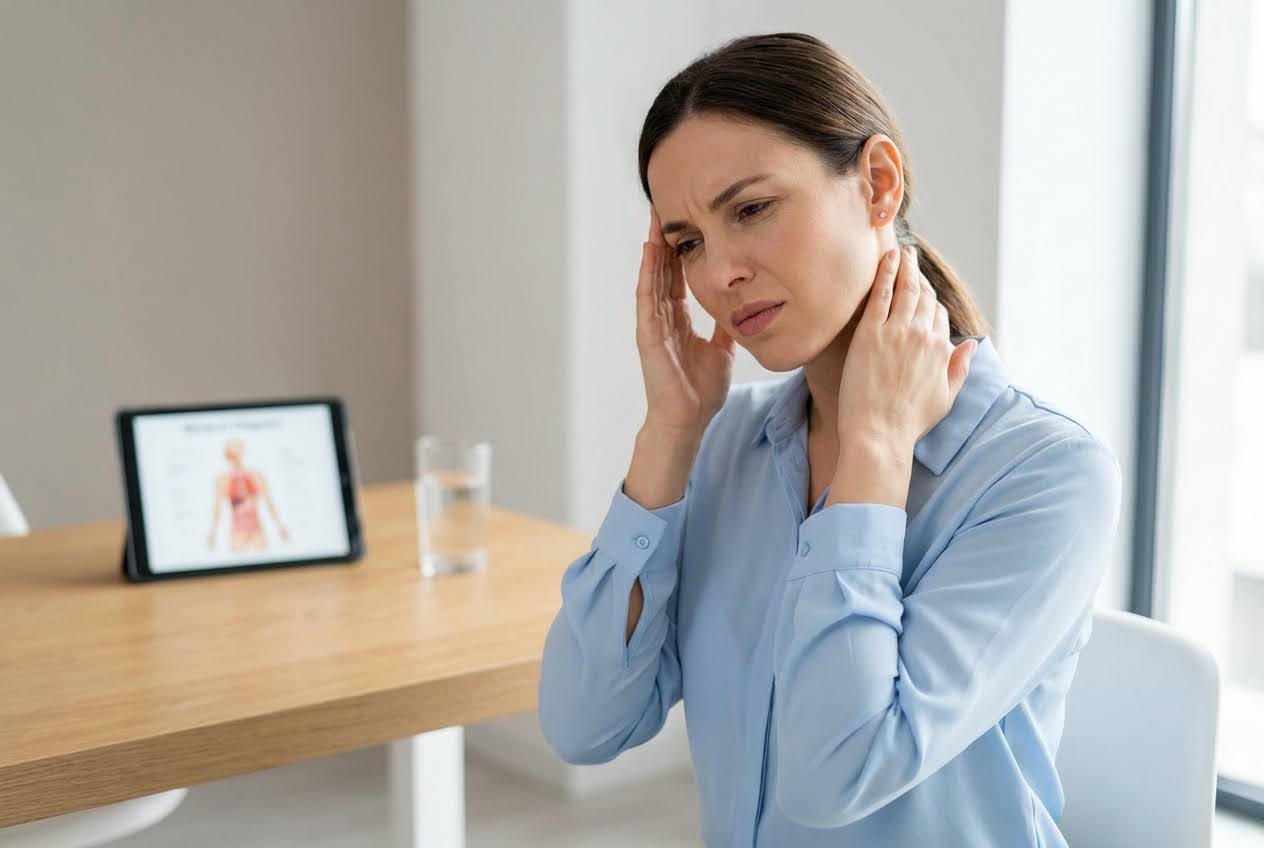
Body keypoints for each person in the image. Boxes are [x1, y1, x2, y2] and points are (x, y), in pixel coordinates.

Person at [537, 32, 1122, 848]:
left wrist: (874, 456)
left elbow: (837, 772)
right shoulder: (727, 444)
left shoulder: (1044, 476)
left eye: (751, 209)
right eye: (688, 243)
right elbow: (582, 723)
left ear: (877, 183)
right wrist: (668, 434)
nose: (718, 275)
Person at [206, 439, 289, 552]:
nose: (235, 457)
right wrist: (213, 532)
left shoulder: (256, 475)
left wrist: (280, 526)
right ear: (227, 456)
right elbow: (217, 508)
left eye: (237, 453)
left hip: (256, 527)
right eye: (232, 454)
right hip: (238, 528)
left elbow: (269, 502)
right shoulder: (223, 479)